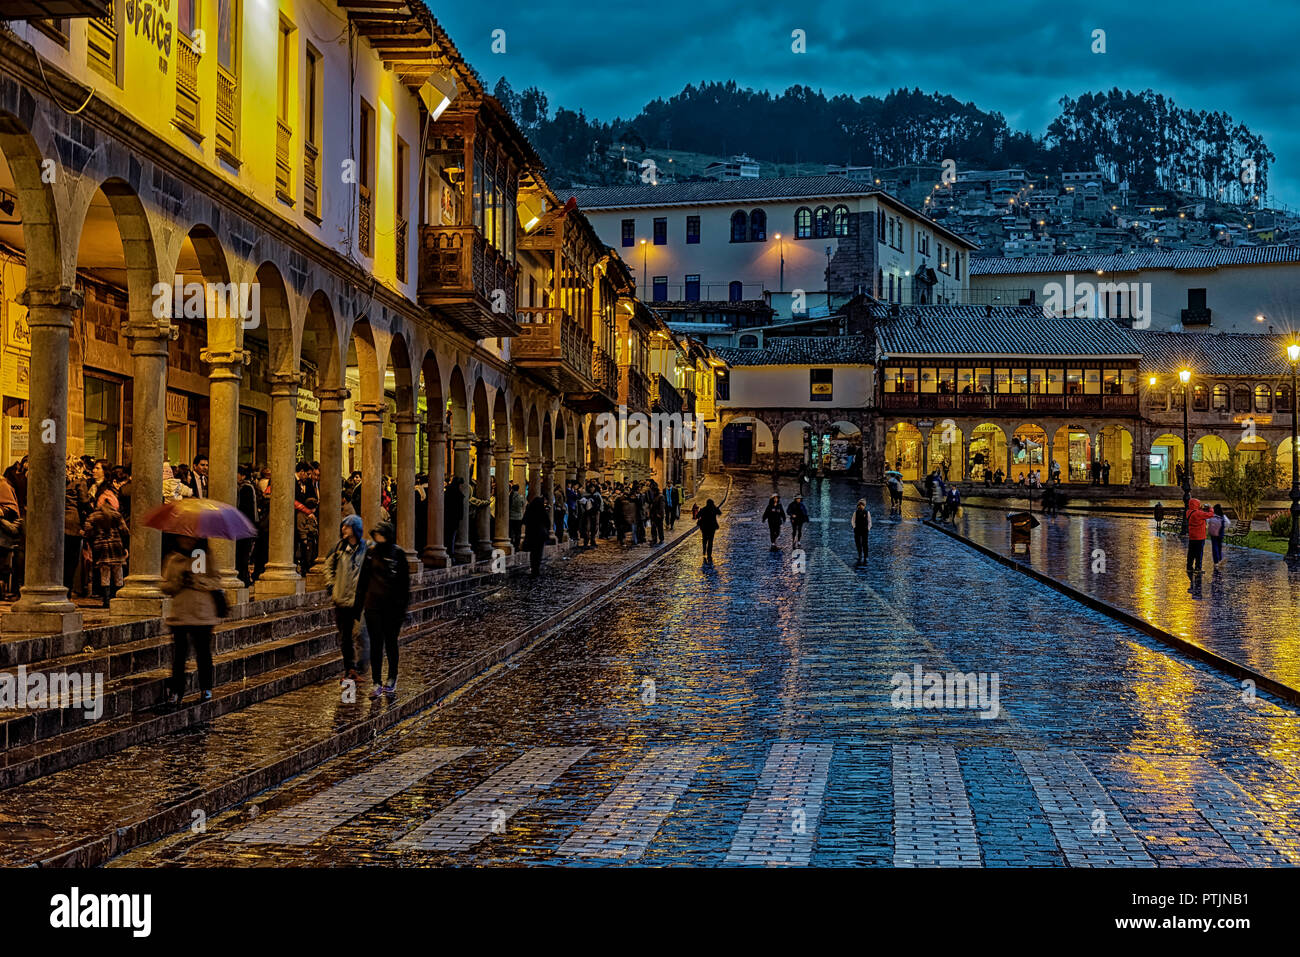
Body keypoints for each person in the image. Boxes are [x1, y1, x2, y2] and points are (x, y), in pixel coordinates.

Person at [161, 535, 223, 706]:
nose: (187, 540)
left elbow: (216, 581)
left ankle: (206, 688)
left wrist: (198, 581)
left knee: (203, 653)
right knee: (179, 655)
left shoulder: (205, 558)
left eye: (191, 537)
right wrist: (179, 581)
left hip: (203, 614)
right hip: (180, 614)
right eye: (184, 537)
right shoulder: (174, 559)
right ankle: (176, 691)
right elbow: (166, 586)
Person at [354, 520, 409, 697]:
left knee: (391, 643)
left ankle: (392, 678)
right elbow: (363, 581)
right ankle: (376, 681)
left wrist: (402, 610)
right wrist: (358, 605)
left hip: (392, 608)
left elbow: (404, 584)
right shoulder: (371, 554)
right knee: (376, 644)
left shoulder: (398, 554)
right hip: (373, 606)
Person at [325, 514, 368, 682]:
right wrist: (331, 585)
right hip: (341, 598)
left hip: (359, 600)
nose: (344, 529)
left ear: (355, 529)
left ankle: (359, 666)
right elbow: (328, 567)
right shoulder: (338, 548)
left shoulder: (366, 549)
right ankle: (350, 669)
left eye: (347, 526)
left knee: (360, 633)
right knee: (345, 637)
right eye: (343, 526)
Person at [82, 488, 130, 607]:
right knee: (118, 573)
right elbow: (125, 531)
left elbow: (87, 532)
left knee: (105, 573)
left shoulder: (93, 516)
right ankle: (117, 597)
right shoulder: (117, 515)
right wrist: (125, 547)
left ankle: (107, 599)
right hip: (116, 547)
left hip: (101, 548)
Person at [235, 465, 259, 586]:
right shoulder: (250, 487)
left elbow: (245, 509)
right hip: (247, 526)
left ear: (242, 475)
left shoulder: (245, 488)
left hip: (244, 526)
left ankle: (243, 577)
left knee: (242, 554)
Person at [522, 494, 550, 576]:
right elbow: (547, 522)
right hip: (540, 535)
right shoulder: (542, 511)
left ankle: (533, 567)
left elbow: (524, 521)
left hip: (531, 534)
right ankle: (536, 568)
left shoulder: (530, 510)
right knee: (538, 552)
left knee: (533, 553)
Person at [1185, 497, 1211, 574]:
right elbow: (1210, 515)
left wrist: (1199, 508)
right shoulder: (1199, 513)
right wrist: (1210, 508)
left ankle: (1189, 567)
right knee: (1199, 553)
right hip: (1200, 536)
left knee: (1191, 552)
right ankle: (1198, 568)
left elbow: (1197, 513)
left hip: (1192, 536)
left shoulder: (1188, 512)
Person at [444, 475, 466, 558]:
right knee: (451, 537)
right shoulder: (457, 493)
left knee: (448, 536)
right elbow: (459, 508)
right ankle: (451, 553)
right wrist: (460, 517)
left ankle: (449, 552)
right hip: (453, 518)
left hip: (447, 516)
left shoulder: (448, 490)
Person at [697, 498, 722, 562]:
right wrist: (716, 507)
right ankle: (709, 554)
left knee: (704, 539)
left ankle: (704, 550)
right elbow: (720, 513)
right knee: (710, 541)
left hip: (704, 527)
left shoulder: (703, 509)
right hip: (712, 528)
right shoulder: (714, 509)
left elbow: (697, 515)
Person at [851, 498, 872, 565]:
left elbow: (869, 521)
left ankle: (866, 556)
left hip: (865, 530)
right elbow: (853, 521)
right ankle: (860, 554)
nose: (861, 506)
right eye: (860, 505)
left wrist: (868, 528)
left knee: (865, 543)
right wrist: (854, 527)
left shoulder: (867, 512)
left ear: (864, 505)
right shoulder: (855, 512)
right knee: (858, 543)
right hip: (857, 529)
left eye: (862, 505)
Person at [508, 482, 525, 548]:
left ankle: (511, 543)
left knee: (511, 532)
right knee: (518, 532)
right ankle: (517, 545)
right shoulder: (521, 497)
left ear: (512, 489)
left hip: (511, 517)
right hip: (519, 518)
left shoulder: (510, 496)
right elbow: (523, 505)